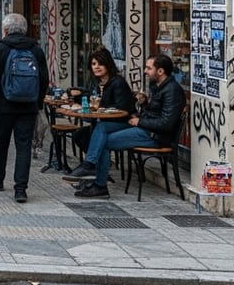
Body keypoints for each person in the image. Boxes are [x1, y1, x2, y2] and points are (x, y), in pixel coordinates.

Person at [66, 54, 186, 198]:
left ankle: (98, 183)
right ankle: (90, 167)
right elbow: (155, 113)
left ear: (160, 71)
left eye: (149, 68)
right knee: (102, 127)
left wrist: (139, 122)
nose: (145, 71)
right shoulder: (158, 86)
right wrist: (144, 104)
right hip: (145, 128)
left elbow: (166, 124)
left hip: (155, 136)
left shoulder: (172, 90)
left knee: (103, 142)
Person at [0, 13, 49, 204]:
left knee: (1, 142)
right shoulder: (36, 49)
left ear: (5, 30)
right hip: (28, 106)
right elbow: (44, 79)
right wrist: (38, 102)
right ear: (25, 30)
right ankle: (21, 189)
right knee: (24, 147)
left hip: (3, 105)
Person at [70, 47, 135, 153]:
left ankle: (91, 161)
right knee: (79, 135)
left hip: (121, 122)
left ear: (108, 64)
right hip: (103, 122)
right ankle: (97, 161)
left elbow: (123, 107)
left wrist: (102, 109)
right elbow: (90, 96)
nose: (97, 67)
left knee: (96, 133)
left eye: (101, 64)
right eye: (94, 64)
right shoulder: (96, 82)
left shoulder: (118, 82)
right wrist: (74, 96)